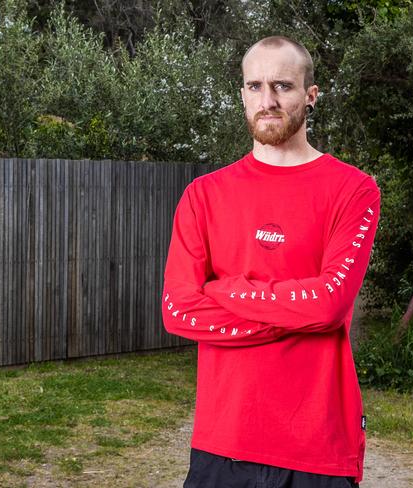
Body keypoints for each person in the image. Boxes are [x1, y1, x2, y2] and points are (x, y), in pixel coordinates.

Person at [161, 35, 380, 488]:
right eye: (255, 86)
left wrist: (225, 290)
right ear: (242, 94)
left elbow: (328, 306)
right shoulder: (203, 196)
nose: (268, 100)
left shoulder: (353, 190)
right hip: (223, 442)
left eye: (282, 85)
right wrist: (296, 316)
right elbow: (178, 310)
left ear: (310, 95)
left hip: (318, 447)